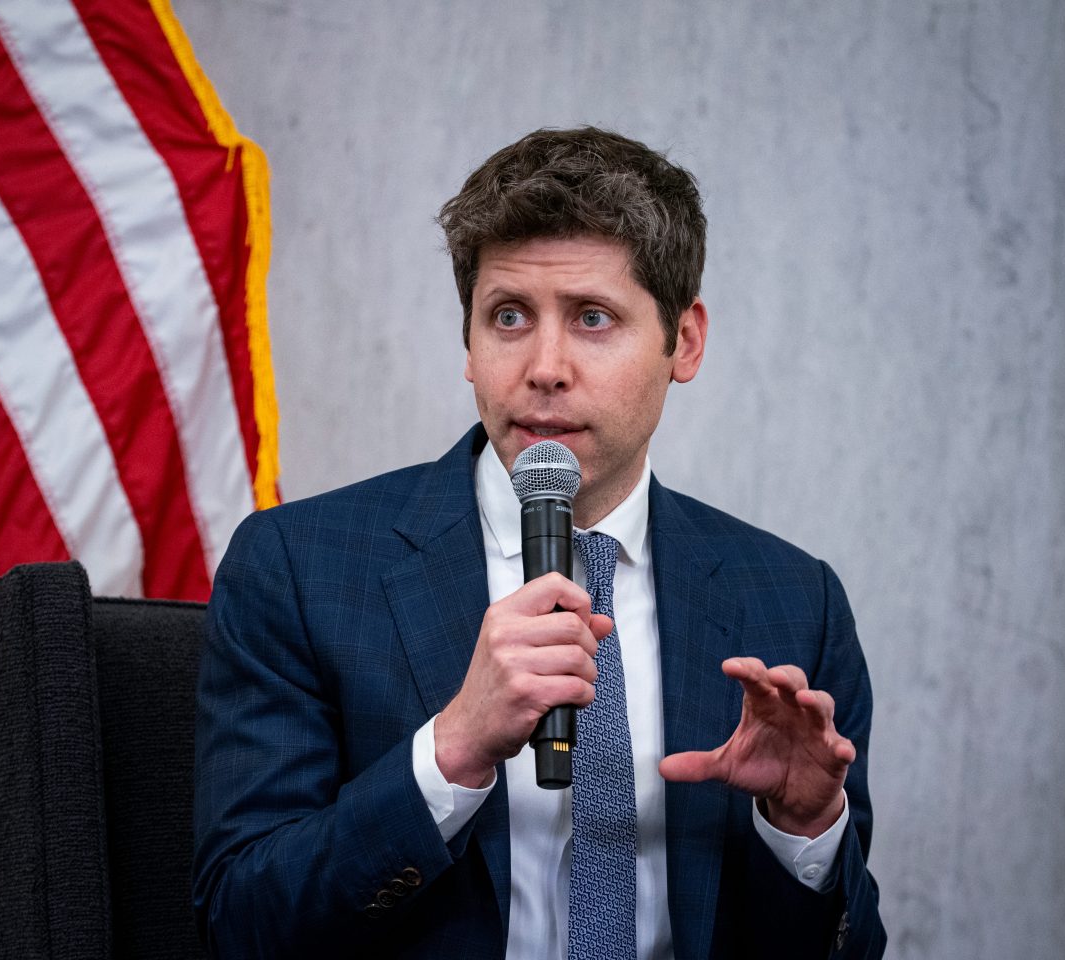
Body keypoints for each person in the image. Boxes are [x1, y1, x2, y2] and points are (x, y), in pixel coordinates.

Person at [193, 127, 885, 958]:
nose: (545, 366)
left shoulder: (793, 600)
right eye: (509, 317)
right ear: (470, 345)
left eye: (593, 318)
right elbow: (238, 922)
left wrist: (803, 833)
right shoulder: (300, 567)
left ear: (685, 341)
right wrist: (449, 751)